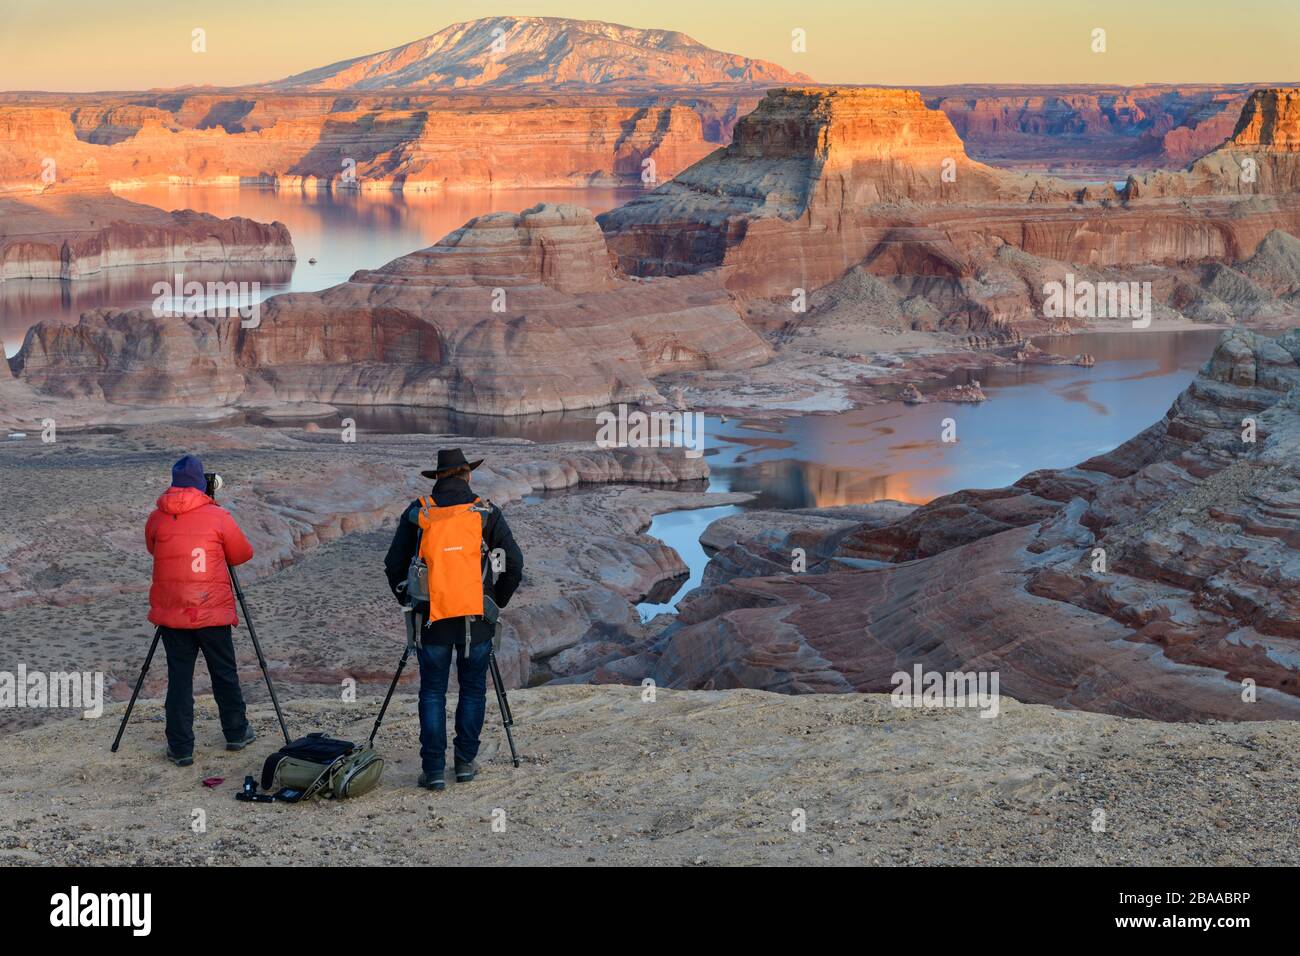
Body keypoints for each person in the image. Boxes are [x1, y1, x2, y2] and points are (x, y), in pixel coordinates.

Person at [384, 448, 523, 791]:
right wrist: (494, 601)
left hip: (430, 620)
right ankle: (464, 764)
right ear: (468, 475)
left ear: (438, 478)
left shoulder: (418, 512)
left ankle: (432, 770)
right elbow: (513, 563)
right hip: (476, 620)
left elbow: (393, 565)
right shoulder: (485, 513)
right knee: (473, 691)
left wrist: (410, 601)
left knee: (432, 693)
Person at [144, 454, 257, 766]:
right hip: (211, 612)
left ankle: (180, 748)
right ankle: (236, 733)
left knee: (179, 679)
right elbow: (242, 554)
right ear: (202, 486)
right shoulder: (218, 516)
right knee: (224, 673)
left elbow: (153, 548)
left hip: (172, 613)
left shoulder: (157, 517)